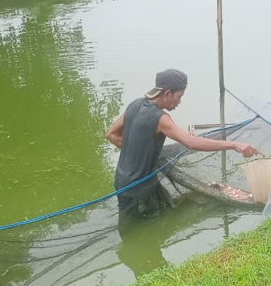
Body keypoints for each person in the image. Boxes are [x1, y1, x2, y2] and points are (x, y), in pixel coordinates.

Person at [106, 69, 257, 218]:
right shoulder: (160, 118)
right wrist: (234, 145)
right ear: (167, 93)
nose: (179, 102)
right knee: (143, 224)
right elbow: (191, 142)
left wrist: (139, 154)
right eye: (179, 96)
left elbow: (111, 134)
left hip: (122, 181)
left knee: (139, 222)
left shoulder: (134, 104)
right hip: (139, 186)